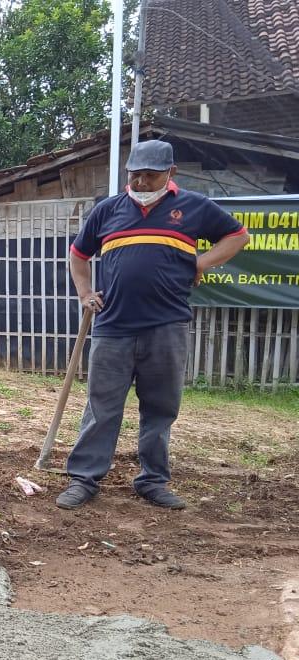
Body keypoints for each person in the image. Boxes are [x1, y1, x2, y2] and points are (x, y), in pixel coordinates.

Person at [56, 140, 249, 511]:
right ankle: (85, 479)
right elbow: (78, 256)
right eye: (136, 174)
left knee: (160, 408)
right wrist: (84, 294)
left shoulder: (193, 207)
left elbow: (238, 236)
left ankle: (152, 480)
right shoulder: (107, 210)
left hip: (167, 326)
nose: (142, 182)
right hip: (113, 327)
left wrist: (201, 263)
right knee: (102, 407)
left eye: (151, 175)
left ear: (170, 173)